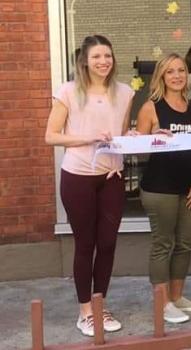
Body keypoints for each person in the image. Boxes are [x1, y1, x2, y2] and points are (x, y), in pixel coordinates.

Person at [44, 35, 134, 337]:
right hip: (78, 176)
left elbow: (118, 135)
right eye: (96, 56)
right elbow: (51, 136)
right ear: (85, 60)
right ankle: (85, 312)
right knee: (86, 244)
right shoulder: (68, 91)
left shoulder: (124, 92)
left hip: (112, 177)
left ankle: (100, 305)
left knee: (107, 243)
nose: (103, 61)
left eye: (107, 55)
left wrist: (138, 136)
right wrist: (88, 138)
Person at [136, 54, 191, 324]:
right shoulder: (151, 108)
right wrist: (154, 138)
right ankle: (162, 303)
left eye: (181, 70)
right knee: (163, 244)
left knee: (186, 243)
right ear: (161, 77)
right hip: (159, 188)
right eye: (170, 72)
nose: (176, 76)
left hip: (189, 188)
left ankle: (177, 297)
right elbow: (138, 151)